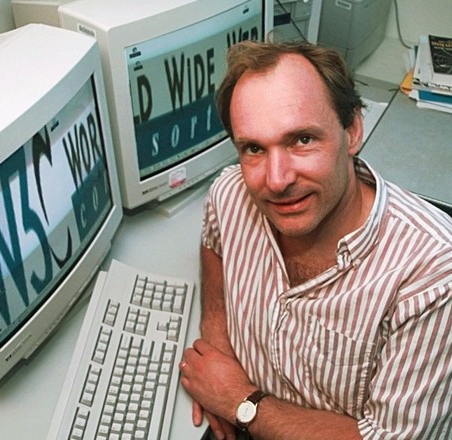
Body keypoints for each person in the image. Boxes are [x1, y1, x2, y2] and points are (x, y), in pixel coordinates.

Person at [179, 40, 452, 440]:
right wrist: (216, 335)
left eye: (301, 140)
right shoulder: (231, 193)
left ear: (352, 130)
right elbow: (214, 244)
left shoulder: (432, 276)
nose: (276, 180)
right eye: (254, 148)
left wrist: (240, 399)